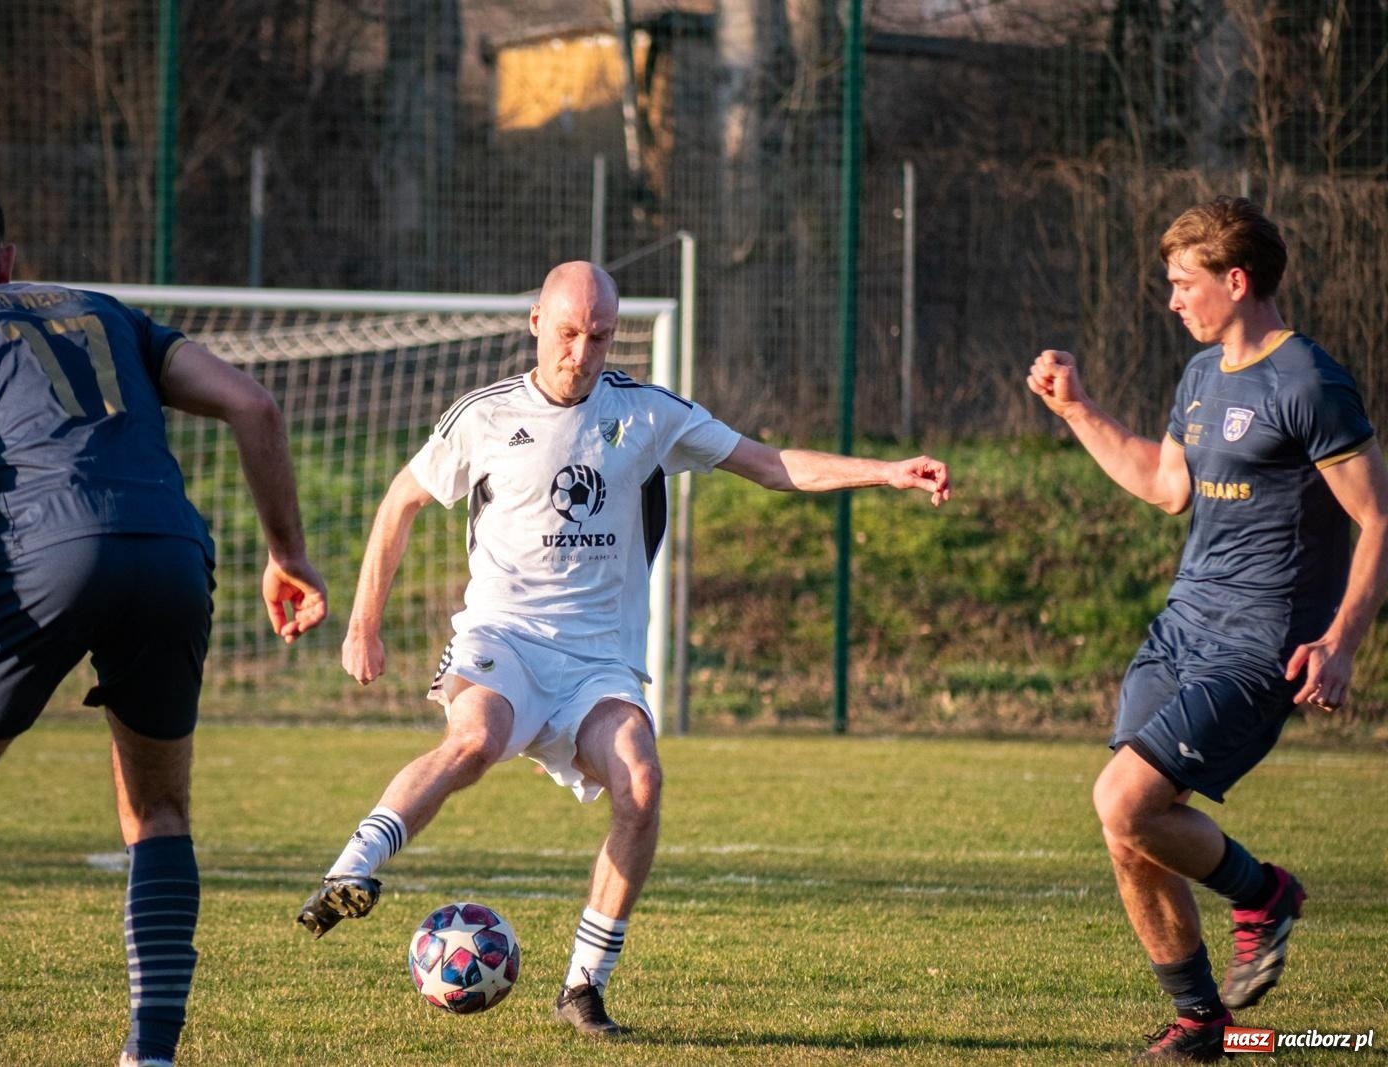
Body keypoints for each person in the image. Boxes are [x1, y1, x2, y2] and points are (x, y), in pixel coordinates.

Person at [295, 260, 950, 1036]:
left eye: (599, 337)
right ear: (536, 323)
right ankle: (353, 870)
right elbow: (400, 501)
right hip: (504, 637)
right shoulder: (486, 415)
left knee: (641, 780)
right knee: (474, 739)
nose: (582, 353)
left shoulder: (647, 414)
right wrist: (363, 623)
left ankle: (584, 985)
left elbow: (769, 464)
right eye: (568, 333)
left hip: (598, 662)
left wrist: (885, 472)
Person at [0, 167, 328, 1067]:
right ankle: (149, 1053)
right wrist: (288, 554)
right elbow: (253, 403)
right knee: (159, 809)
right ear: (6, 260)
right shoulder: (105, 311)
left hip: (44, 553)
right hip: (171, 553)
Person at [1028, 196, 1388, 1062]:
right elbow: (1166, 485)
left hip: (1260, 642)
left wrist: (1341, 642)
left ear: (1236, 279)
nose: (1172, 299)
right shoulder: (1199, 375)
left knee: (1123, 800)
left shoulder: (1309, 382)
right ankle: (1202, 1022)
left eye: (1184, 282)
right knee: (1131, 827)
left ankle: (1263, 892)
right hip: (1181, 627)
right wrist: (1077, 410)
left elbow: (1378, 520)